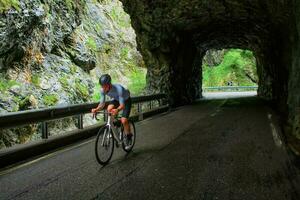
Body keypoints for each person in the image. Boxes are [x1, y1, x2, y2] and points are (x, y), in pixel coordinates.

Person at [91, 74, 132, 145]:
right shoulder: (102, 90)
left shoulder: (119, 89)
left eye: (105, 86)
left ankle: (129, 137)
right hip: (116, 99)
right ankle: (112, 126)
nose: (103, 88)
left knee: (124, 120)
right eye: (102, 86)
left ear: (109, 84)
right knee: (109, 109)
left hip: (126, 100)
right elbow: (102, 104)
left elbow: (122, 105)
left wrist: (117, 110)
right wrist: (96, 109)